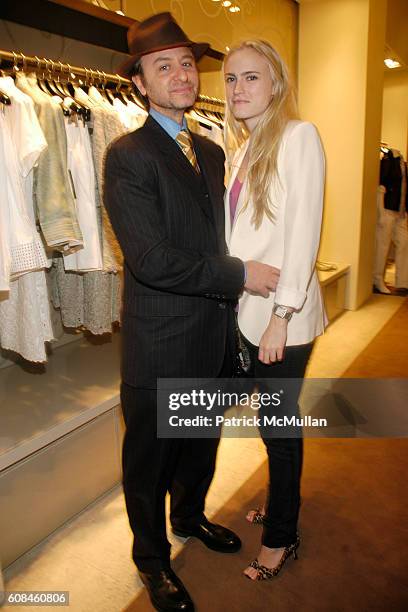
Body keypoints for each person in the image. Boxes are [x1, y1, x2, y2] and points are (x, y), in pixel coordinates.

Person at [104, 14, 280, 612]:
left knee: (201, 447)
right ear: (140, 82)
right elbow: (152, 259)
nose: (180, 74)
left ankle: (191, 518)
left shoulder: (209, 148)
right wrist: (242, 275)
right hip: (160, 345)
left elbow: (223, 232)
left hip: (211, 338)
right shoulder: (127, 155)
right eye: (163, 66)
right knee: (149, 466)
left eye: (185, 62)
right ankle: (151, 560)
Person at [223, 40, 327, 581]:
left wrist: (282, 315)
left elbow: (304, 232)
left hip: (283, 317)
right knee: (270, 425)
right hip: (251, 311)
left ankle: (282, 536)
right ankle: (281, 501)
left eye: (252, 78)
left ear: (276, 84)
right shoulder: (243, 147)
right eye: (232, 79)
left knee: (280, 427)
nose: (239, 89)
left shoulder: (297, 137)